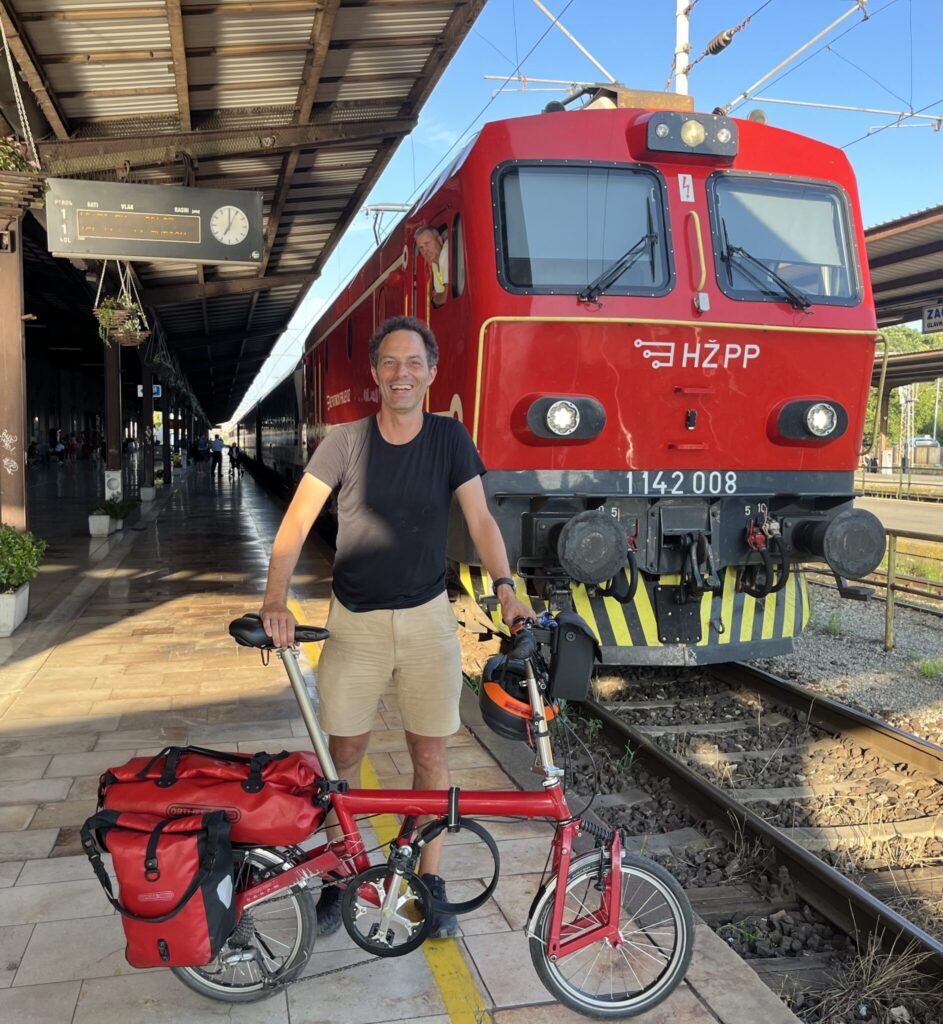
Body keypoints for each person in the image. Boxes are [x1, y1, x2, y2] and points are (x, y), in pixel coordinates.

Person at [260, 315, 531, 939]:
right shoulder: (344, 442)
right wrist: (277, 598)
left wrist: (506, 589)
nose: (401, 373)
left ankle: (424, 880)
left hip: (426, 621)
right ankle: (340, 873)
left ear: (431, 374)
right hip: (354, 623)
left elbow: (482, 521)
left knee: (430, 753)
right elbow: (297, 523)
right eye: (390, 363)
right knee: (344, 755)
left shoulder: (450, 439)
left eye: (414, 363)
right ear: (375, 374)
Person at [415, 225, 448, 307]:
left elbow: (445, 296)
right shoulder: (434, 263)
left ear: (439, 240)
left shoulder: (446, 252)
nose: (425, 251)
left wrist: (433, 301)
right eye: (421, 248)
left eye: (427, 243)